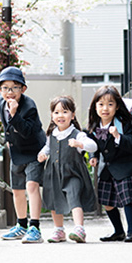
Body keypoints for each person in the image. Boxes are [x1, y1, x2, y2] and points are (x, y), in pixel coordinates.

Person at [38, 96, 97, 243]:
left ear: (72, 115)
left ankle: (79, 228)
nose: (60, 116)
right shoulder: (52, 134)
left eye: (65, 112)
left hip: (73, 173)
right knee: (54, 199)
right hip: (54, 173)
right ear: (52, 116)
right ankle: (59, 229)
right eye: (56, 112)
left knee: (74, 196)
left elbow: (93, 146)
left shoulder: (78, 134)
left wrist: (79, 144)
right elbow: (47, 148)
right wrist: (43, 154)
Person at [0, 66, 46, 243]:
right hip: (17, 151)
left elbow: (26, 131)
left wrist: (15, 113)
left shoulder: (29, 106)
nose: (10, 92)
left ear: (23, 89)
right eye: (5, 88)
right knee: (17, 189)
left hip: (34, 151)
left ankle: (35, 227)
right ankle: (21, 225)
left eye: (14, 88)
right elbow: (6, 125)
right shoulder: (0, 102)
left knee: (31, 186)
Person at [87, 85, 132, 242]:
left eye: (110, 104)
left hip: (125, 167)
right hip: (106, 168)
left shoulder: (123, 123)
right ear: (95, 106)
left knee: (128, 199)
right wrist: (93, 155)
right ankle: (118, 231)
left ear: (117, 107)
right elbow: (93, 144)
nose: (105, 108)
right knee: (107, 202)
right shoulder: (94, 126)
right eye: (101, 104)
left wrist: (118, 136)